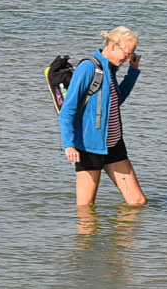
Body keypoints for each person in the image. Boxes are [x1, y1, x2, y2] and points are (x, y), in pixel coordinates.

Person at [61, 26, 145, 219]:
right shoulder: (89, 68)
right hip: (89, 146)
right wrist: (69, 145)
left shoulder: (110, 69)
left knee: (138, 203)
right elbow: (67, 110)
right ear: (114, 45)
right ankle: (88, 248)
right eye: (127, 53)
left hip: (113, 144)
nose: (127, 58)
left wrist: (132, 71)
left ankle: (119, 249)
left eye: (131, 54)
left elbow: (117, 99)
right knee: (86, 209)